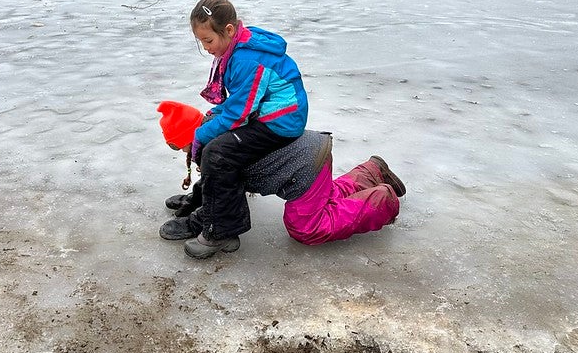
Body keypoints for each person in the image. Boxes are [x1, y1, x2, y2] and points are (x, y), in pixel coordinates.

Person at [157, 101, 404, 256]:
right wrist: (197, 198)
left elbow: (224, 191)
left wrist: (198, 222)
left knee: (306, 227)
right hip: (312, 153)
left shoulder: (215, 150)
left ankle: (380, 202)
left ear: (187, 138)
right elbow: (219, 185)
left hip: (302, 170)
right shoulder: (219, 125)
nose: (181, 152)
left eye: (177, 146)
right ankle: (371, 172)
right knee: (323, 199)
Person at [176, 0, 309, 258]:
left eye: (208, 40)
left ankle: (222, 230)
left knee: (217, 152)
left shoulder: (247, 59)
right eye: (201, 42)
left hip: (280, 121)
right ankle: (206, 200)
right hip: (263, 112)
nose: (206, 48)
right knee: (214, 132)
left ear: (228, 30)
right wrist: (214, 115)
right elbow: (240, 100)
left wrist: (201, 133)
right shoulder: (237, 46)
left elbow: (238, 115)